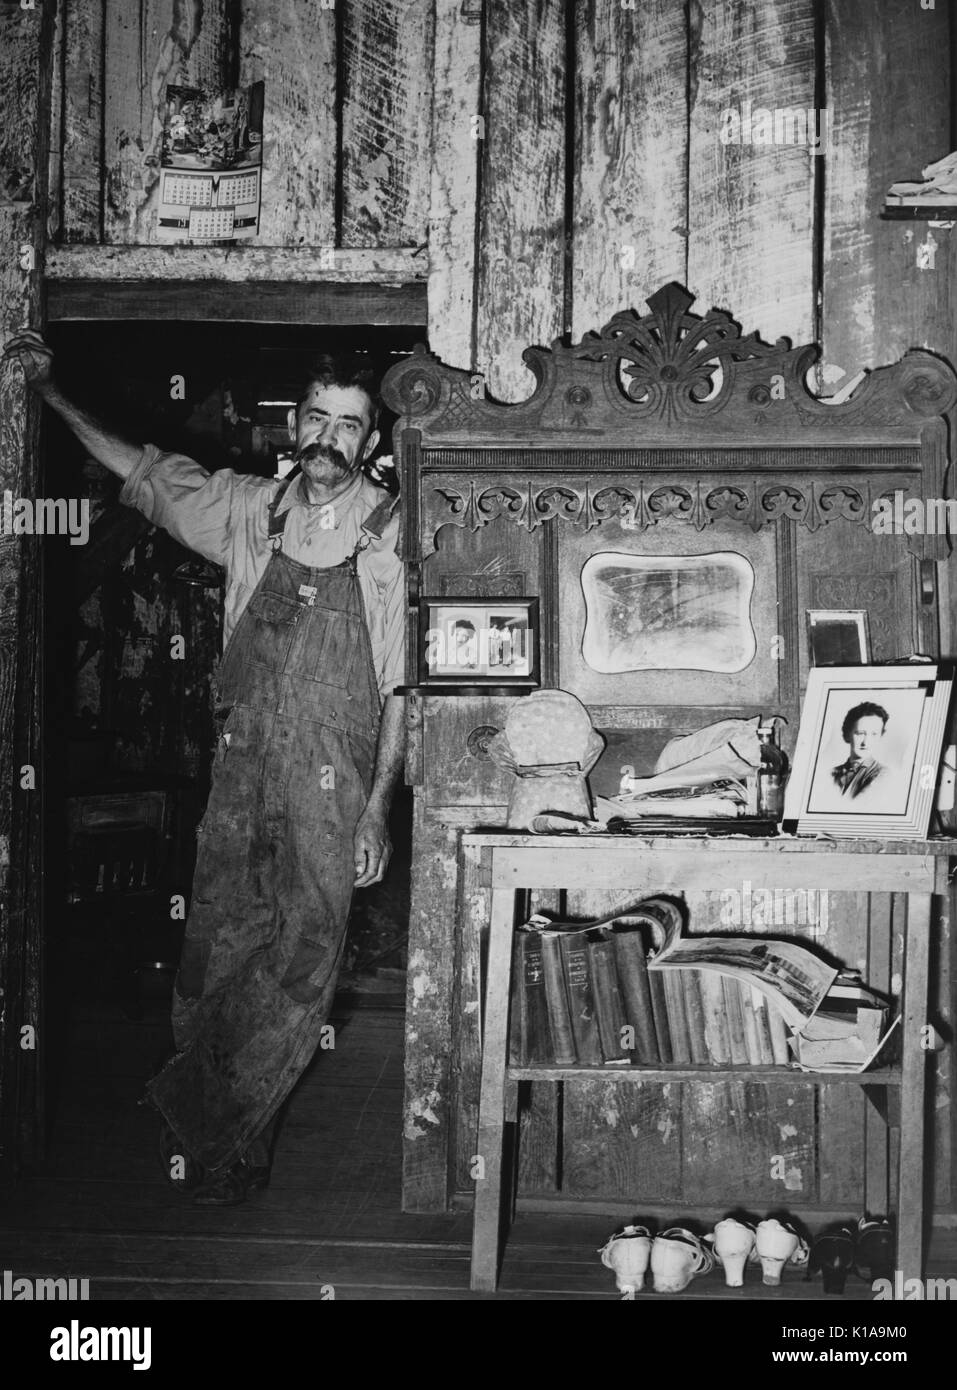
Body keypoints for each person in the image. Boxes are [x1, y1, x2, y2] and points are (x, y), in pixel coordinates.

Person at [4, 329, 406, 1206]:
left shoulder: (392, 538)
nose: (329, 438)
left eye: (349, 425)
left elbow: (400, 689)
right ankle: (230, 1144)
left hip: (333, 776)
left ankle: (198, 1111)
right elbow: (143, 475)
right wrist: (48, 393)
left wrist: (376, 808)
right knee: (216, 946)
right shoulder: (248, 511)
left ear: (370, 443)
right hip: (241, 766)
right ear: (294, 424)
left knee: (306, 959)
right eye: (317, 418)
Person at [831, 701, 889, 799]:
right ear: (848, 734)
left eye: (874, 734)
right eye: (860, 733)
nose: (865, 742)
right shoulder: (831, 773)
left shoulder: (884, 776)